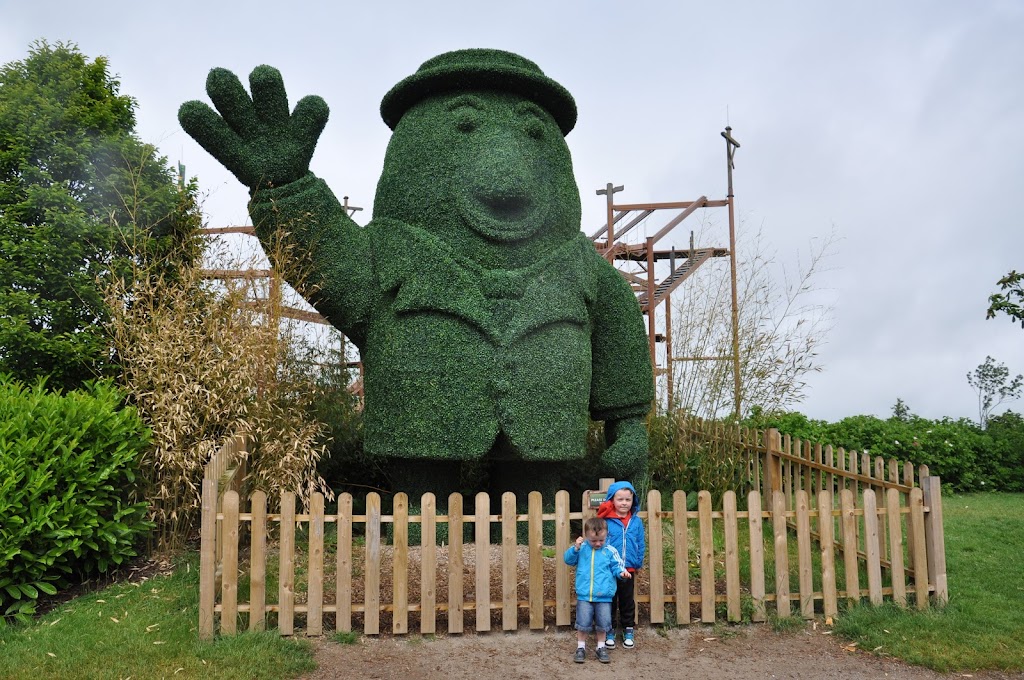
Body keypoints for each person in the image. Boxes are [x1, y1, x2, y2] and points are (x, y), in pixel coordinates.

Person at [564, 517, 630, 663]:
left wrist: (622, 573)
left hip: (604, 596)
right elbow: (568, 560)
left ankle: (601, 647)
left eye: (601, 540)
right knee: (582, 624)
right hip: (585, 595)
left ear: (606, 535)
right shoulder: (581, 549)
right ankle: (580, 647)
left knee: (603, 624)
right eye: (593, 541)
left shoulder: (610, 551)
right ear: (586, 536)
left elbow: (617, 566)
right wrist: (575, 548)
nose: (598, 543)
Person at [598, 480, 645, 649]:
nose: (624, 503)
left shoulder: (636, 522)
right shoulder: (606, 521)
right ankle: (609, 630)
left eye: (628, 499)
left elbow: (640, 543)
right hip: (609, 570)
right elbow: (600, 544)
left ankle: (628, 629)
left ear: (633, 501)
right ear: (612, 500)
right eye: (620, 499)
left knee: (627, 601)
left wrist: (638, 562)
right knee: (609, 600)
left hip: (628, 568)